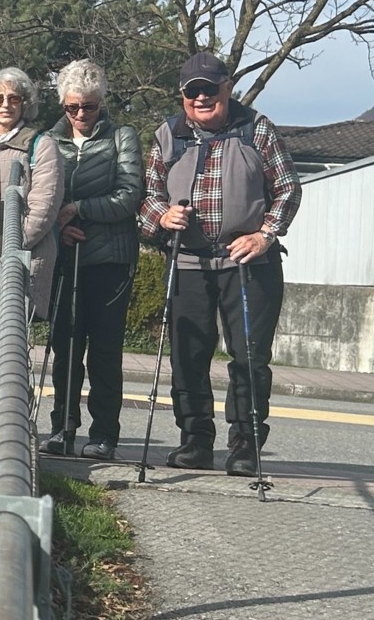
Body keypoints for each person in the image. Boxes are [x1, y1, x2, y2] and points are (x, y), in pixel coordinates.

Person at [138, 52, 301, 476]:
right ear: (182, 95)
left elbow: (288, 189)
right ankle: (195, 441)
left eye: (210, 89)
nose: (202, 97)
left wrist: (264, 235)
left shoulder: (257, 128)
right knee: (187, 357)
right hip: (188, 263)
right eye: (193, 91)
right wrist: (162, 216)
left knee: (249, 358)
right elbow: (148, 196)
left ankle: (245, 446)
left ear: (227, 88)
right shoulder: (167, 134)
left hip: (248, 263)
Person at [40, 59, 142, 459]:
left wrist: (78, 208)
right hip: (65, 257)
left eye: (90, 106)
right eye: (73, 107)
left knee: (104, 352)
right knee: (65, 348)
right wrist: (58, 227)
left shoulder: (122, 137)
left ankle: (104, 435)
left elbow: (128, 195)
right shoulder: (49, 140)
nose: (81, 114)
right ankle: (62, 428)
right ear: (63, 105)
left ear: (101, 102)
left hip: (110, 260)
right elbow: (41, 196)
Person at [0, 66, 63, 417]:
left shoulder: (41, 145)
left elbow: (42, 208)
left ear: (25, 102)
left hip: (19, 258)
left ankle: (8, 420)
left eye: (14, 98)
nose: (5, 105)